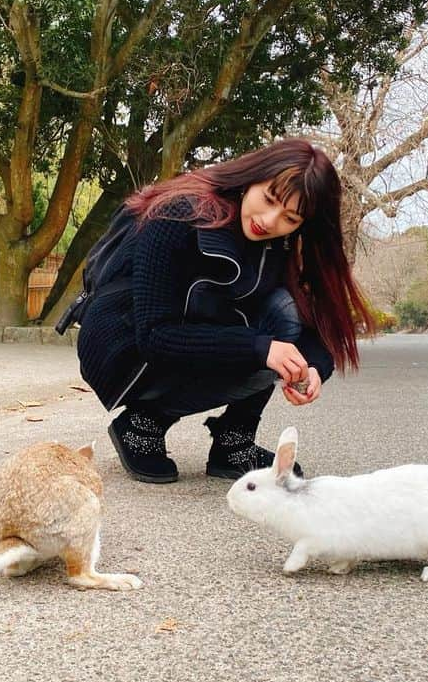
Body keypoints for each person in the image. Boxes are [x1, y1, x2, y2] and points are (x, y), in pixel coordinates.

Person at [75, 137, 376, 483]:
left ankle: (233, 442)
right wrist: (259, 348)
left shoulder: (279, 243)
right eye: (268, 199)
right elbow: (156, 336)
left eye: (290, 218)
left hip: (188, 333)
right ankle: (143, 423)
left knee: (283, 314)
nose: (269, 219)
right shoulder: (176, 215)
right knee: (266, 342)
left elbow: (310, 322)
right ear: (253, 177)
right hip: (124, 350)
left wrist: (311, 367)